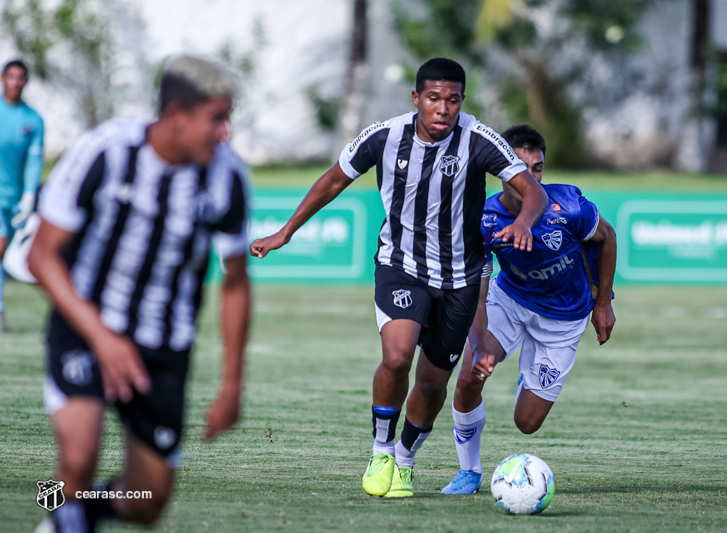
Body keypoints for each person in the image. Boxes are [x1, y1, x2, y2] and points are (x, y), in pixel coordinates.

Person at [250, 58, 548, 498]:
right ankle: (381, 451)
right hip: (401, 266)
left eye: (452, 100)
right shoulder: (385, 137)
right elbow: (333, 181)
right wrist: (286, 231)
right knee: (396, 355)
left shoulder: (479, 139)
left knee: (431, 383)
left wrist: (523, 222)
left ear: (461, 102)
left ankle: (406, 461)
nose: (443, 109)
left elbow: (534, 190)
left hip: (460, 278)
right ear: (416, 99)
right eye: (433, 99)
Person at [28, 54, 251, 532]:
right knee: (77, 461)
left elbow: (235, 283)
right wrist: (103, 337)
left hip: (162, 346)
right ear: (176, 115)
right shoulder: (106, 151)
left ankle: (82, 510)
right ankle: (49, 512)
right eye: (217, 119)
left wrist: (232, 383)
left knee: (147, 501)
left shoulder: (228, 177)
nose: (225, 133)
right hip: (85, 328)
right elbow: (42, 256)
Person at [441, 124, 617, 495]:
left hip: (565, 317)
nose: (530, 176)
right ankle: (468, 471)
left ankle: (529, 375)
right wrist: (479, 342)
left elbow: (608, 238)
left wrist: (603, 304)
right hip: (511, 300)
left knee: (527, 423)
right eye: (521, 167)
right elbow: (479, 285)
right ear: (502, 167)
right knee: (471, 374)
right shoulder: (485, 219)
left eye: (537, 169)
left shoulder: (568, 206)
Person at [0, 59, 44, 332]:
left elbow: (35, 159)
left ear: (26, 81)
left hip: (16, 201)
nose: (15, 83)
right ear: (3, 78)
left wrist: (29, 196)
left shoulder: (33, 119)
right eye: (11, 77)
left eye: (21, 78)